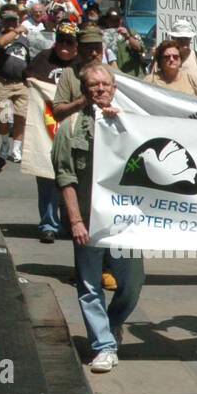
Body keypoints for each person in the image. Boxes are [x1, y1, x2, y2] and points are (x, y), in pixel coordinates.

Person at [52, 61, 144, 374]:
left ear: (114, 88)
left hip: (124, 222)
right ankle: (103, 346)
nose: (100, 90)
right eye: (94, 85)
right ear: (85, 90)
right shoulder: (70, 127)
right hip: (88, 220)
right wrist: (75, 221)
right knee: (90, 286)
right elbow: (65, 177)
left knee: (132, 282)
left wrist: (123, 129)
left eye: (105, 84)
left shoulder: (130, 123)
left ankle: (112, 324)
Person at [25, 23, 77, 243]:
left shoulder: (82, 64)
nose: (65, 45)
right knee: (47, 177)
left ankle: (70, 222)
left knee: (73, 178)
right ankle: (48, 224)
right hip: (47, 127)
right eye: (61, 40)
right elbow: (27, 79)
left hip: (73, 129)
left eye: (70, 41)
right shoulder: (43, 59)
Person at [0, 7, 31, 161]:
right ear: (2, 21)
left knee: (21, 116)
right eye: (8, 20)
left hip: (21, 84)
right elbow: (1, 43)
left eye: (13, 20)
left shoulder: (25, 39)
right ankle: (4, 143)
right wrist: (17, 31)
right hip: (4, 83)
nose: (11, 23)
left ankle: (16, 149)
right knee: (4, 116)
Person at [168, 19, 197, 97]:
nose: (184, 42)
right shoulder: (163, 60)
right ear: (173, 38)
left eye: (187, 38)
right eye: (180, 39)